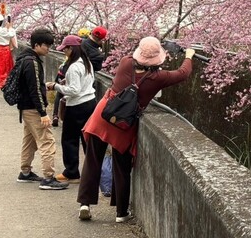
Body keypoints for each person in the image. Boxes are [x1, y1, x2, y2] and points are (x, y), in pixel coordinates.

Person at [76, 36, 195, 222]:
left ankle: (85, 204)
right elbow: (183, 73)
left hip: (103, 114)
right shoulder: (159, 78)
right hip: (124, 124)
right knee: (121, 167)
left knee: (92, 160)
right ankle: (121, 213)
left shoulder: (125, 63)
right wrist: (188, 55)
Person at [16, 28, 69, 190]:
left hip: (25, 107)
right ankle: (48, 178)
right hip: (33, 109)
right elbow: (35, 90)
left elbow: (32, 87)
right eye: (46, 45)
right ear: (37, 45)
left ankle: (25, 172)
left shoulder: (24, 58)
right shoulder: (32, 62)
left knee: (30, 140)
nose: (48, 49)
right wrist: (43, 113)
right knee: (47, 141)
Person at [46, 35, 96, 183]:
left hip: (77, 106)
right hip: (90, 102)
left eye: (65, 49)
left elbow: (74, 90)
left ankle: (72, 172)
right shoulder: (86, 63)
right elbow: (85, 82)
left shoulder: (73, 67)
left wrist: (55, 86)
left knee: (69, 139)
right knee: (87, 139)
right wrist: (66, 82)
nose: (64, 52)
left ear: (71, 49)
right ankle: (92, 172)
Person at [0, 13, 16, 88]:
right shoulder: (2, 31)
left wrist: (6, 28)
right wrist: (10, 27)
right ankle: (4, 81)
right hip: (4, 49)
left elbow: (4, 32)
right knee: (5, 65)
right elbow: (11, 35)